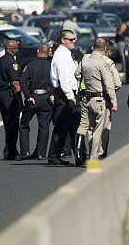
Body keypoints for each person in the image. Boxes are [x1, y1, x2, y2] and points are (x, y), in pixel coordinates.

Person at [75, 38, 118, 161]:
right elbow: (109, 83)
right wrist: (113, 101)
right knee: (98, 131)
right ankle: (94, 160)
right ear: (105, 49)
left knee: (89, 128)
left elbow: (77, 74)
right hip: (99, 99)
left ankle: (86, 152)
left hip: (87, 98)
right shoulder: (102, 63)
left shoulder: (85, 61)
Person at [48, 29, 79, 165]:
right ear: (63, 40)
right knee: (62, 125)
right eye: (71, 39)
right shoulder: (61, 55)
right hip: (65, 93)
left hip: (68, 92)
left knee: (73, 125)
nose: (74, 42)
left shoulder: (66, 53)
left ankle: (79, 154)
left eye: (74, 39)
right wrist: (70, 96)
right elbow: (64, 78)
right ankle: (54, 155)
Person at [18, 43, 54, 160]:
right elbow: (56, 82)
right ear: (48, 52)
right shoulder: (51, 65)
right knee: (44, 127)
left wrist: (28, 96)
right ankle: (41, 153)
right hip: (46, 98)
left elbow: (22, 81)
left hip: (33, 97)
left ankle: (25, 152)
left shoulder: (30, 65)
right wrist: (52, 94)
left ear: (38, 51)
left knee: (24, 124)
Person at [0, 40, 23, 160]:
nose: (18, 49)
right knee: (13, 125)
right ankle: (12, 152)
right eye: (17, 47)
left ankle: (9, 150)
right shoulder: (12, 63)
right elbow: (15, 83)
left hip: (0, 94)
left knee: (7, 124)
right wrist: (20, 101)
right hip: (9, 96)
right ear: (12, 49)